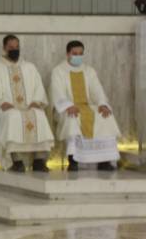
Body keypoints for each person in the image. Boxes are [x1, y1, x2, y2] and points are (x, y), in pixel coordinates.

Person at [0, 35, 55, 172]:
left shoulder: (29, 67)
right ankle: (15, 160)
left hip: (28, 107)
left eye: (17, 47)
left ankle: (39, 160)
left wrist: (35, 101)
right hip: (6, 108)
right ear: (4, 48)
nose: (15, 50)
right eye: (11, 48)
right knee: (13, 116)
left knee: (39, 115)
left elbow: (38, 88)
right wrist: (1, 102)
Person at [51, 40, 120, 171]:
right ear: (67, 54)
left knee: (105, 116)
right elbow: (57, 92)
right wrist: (67, 106)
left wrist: (102, 104)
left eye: (80, 54)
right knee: (72, 118)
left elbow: (97, 90)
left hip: (87, 106)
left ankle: (104, 160)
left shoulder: (89, 71)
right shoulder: (58, 71)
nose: (78, 56)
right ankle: (73, 161)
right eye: (74, 53)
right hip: (68, 108)